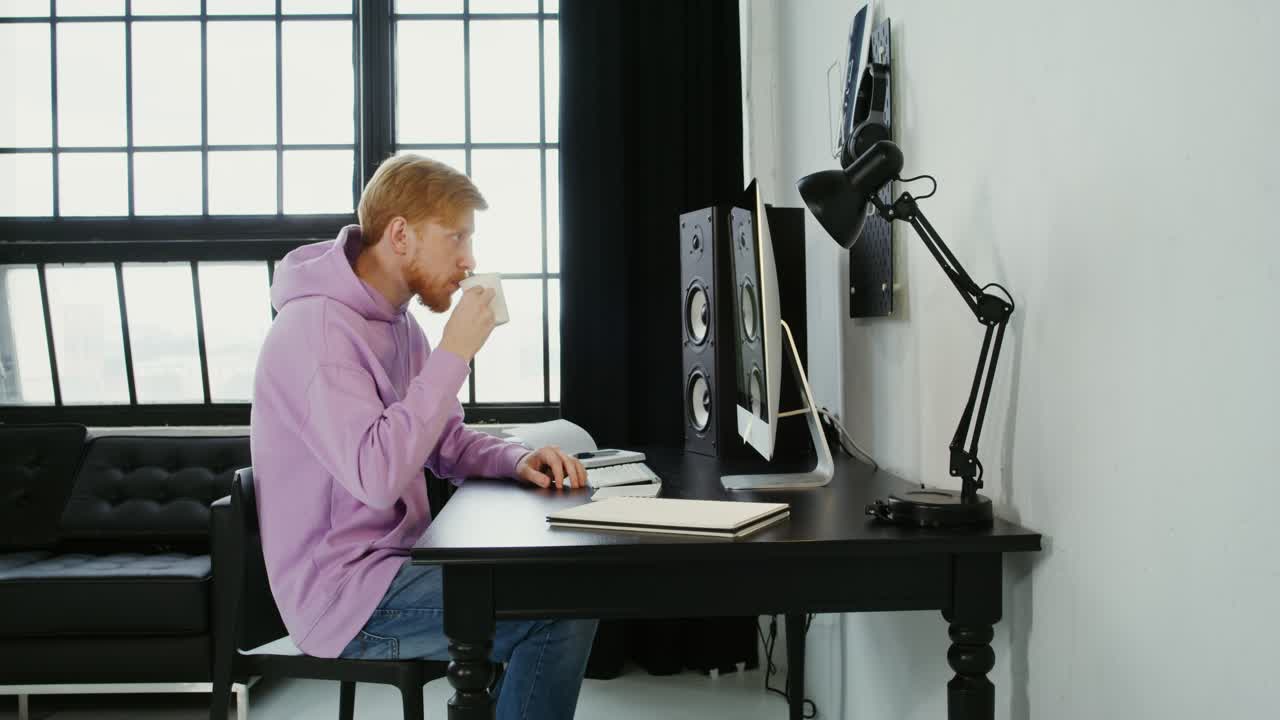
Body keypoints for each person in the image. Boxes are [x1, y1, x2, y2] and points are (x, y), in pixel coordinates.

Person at [250, 154, 597, 719]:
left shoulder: (396, 322)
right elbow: (379, 476)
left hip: (396, 567)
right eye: (456, 236)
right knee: (559, 607)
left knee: (557, 585)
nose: (469, 259)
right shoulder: (315, 332)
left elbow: (443, 442)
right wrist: (454, 351)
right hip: (347, 599)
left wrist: (517, 459)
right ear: (401, 234)